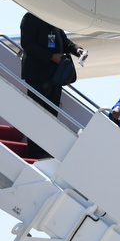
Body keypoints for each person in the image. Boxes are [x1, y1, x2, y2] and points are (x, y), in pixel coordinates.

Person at [19, 12, 85, 159]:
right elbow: (27, 44)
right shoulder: (30, 17)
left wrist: (76, 50)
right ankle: (35, 152)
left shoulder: (53, 17)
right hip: (37, 76)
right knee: (37, 114)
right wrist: (50, 57)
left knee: (51, 114)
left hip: (55, 77)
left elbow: (64, 41)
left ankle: (47, 148)